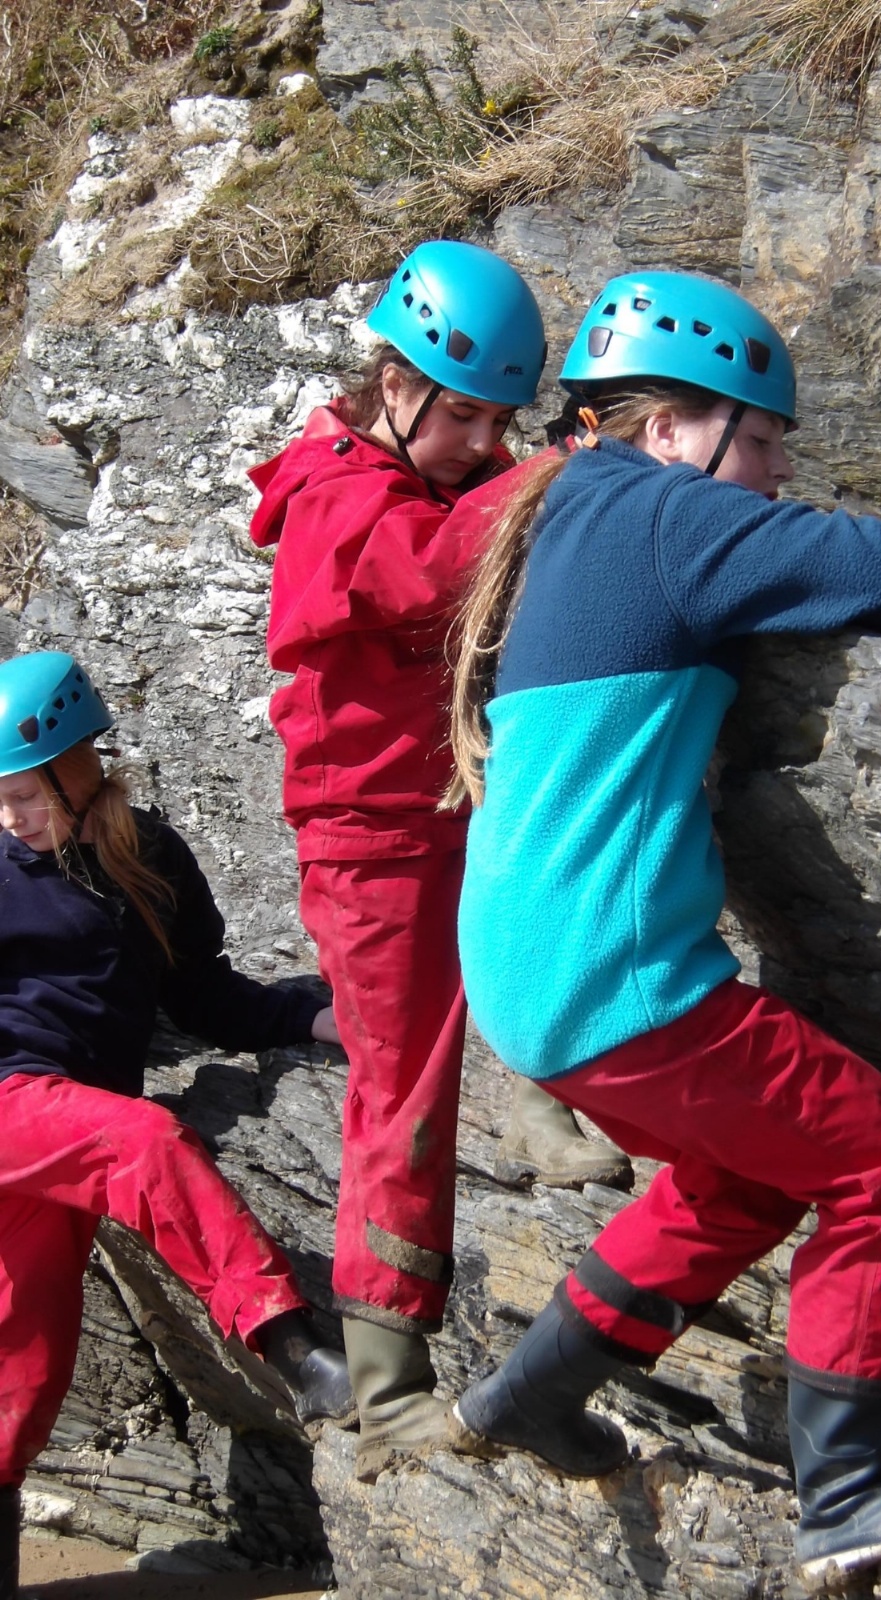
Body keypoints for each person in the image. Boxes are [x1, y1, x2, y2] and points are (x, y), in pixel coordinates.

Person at [444, 272, 881, 1581]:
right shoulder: (663, 514)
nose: (776, 469)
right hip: (619, 980)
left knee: (744, 1179)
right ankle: (848, 1495)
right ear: (671, 430)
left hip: (535, 979)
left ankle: (530, 1393)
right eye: (759, 439)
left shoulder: (584, 507)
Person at [248, 240, 631, 1484]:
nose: (480, 441)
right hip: (369, 842)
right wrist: (557, 470)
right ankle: (386, 1388)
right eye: (461, 413)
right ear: (395, 382)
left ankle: (540, 1094)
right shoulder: (334, 495)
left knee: (558, 935)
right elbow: (424, 566)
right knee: (401, 1089)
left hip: (455, 803)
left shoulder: (423, 472)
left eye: (498, 421)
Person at [0, 650, 355, 1600]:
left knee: (24, 1370)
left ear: (78, 771)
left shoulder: (151, 857)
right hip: (12, 1100)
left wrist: (313, 1019)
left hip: (60, 1134)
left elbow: (202, 994)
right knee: (144, 1143)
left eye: (24, 796)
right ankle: (294, 1352)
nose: (11, 818)